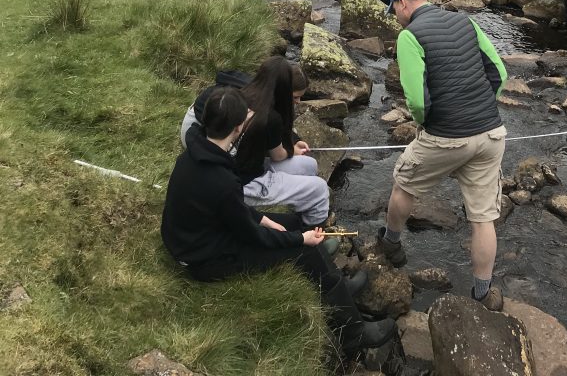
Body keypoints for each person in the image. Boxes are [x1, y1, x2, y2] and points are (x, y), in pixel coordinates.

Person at [161, 86, 395, 354]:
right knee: (301, 250)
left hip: (198, 235)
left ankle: (338, 287)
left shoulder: (195, 152)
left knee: (292, 223)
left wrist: (264, 219)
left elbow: (225, 208)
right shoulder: (221, 179)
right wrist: (298, 239)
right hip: (204, 259)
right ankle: (353, 333)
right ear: (237, 129)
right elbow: (250, 235)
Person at [376, 0, 508, 311]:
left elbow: (418, 101)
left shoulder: (409, 37)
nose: (395, 18)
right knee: (483, 218)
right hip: (491, 133)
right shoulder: (467, 22)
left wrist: (426, 124)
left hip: (445, 136)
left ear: (404, 4)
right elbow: (500, 74)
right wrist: (480, 108)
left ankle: (391, 243)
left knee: (403, 186)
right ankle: (482, 294)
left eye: (394, 11)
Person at [181, 61, 329, 227]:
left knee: (310, 165)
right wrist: (291, 150)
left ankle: (301, 205)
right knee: (320, 189)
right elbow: (278, 155)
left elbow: (273, 135)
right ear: (282, 91)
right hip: (239, 180)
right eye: (295, 97)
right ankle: (308, 230)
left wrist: (293, 141)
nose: (299, 102)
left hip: (206, 144)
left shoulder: (245, 93)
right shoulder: (268, 118)